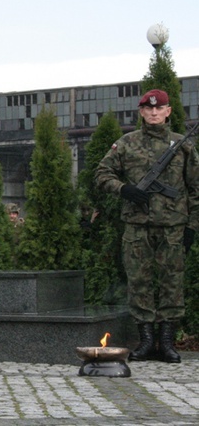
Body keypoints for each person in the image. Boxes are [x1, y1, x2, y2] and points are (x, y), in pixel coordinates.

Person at [96, 89, 199, 363]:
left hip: (173, 227)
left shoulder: (183, 145)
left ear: (168, 112)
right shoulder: (126, 143)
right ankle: (145, 341)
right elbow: (102, 174)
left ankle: (166, 342)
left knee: (172, 283)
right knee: (139, 283)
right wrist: (124, 189)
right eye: (148, 108)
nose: (154, 112)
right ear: (141, 112)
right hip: (137, 227)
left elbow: (196, 189)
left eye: (159, 108)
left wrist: (192, 227)